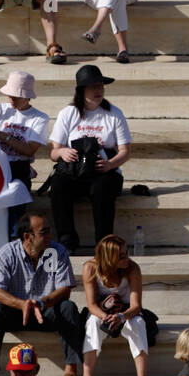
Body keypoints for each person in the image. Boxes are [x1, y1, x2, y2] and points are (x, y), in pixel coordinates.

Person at [0, 213, 84, 376]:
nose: (50, 236)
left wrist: (42, 302)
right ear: (28, 237)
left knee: (69, 308)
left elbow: (65, 290)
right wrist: (22, 304)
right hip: (16, 312)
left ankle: (71, 371)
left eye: (49, 231)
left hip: (46, 310)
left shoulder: (57, 251)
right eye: (44, 232)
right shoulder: (7, 253)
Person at [47, 64, 131, 252]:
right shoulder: (68, 113)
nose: (98, 90)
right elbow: (53, 152)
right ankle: (67, 241)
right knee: (59, 185)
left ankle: (104, 244)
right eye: (93, 86)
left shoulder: (114, 113)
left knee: (102, 189)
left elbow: (125, 151)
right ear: (81, 90)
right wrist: (62, 153)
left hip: (105, 172)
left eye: (101, 86)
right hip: (75, 172)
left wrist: (110, 164)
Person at [0, 71, 49, 237]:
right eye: (10, 96)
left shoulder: (39, 118)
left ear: (27, 97)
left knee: (16, 202)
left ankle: (13, 240)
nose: (11, 99)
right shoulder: (0, 108)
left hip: (18, 166)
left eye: (16, 96)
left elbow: (29, 149)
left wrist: (3, 136)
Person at [81, 234, 150, 376]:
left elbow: (136, 306)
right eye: (121, 256)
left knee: (138, 323)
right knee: (93, 323)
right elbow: (91, 305)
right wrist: (105, 317)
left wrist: (121, 316)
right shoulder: (90, 267)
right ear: (109, 257)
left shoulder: (132, 268)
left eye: (126, 253)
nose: (127, 258)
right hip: (101, 311)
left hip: (127, 311)